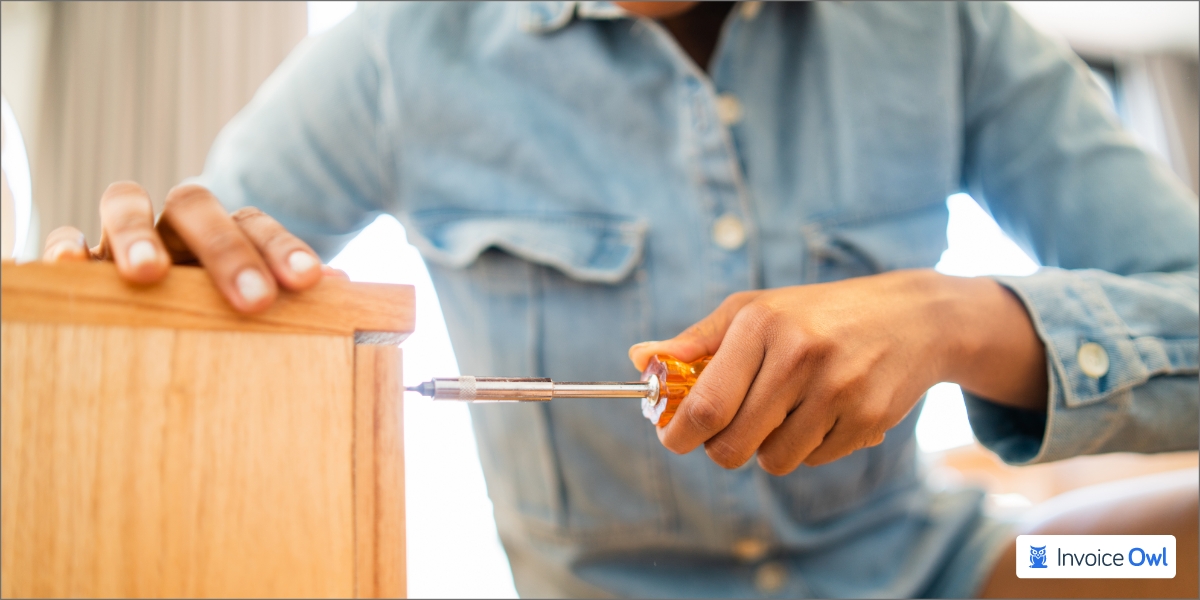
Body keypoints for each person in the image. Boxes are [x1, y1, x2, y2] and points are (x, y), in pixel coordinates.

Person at [42, 2, 1198, 597]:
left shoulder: (943, 26)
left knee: (1149, 556)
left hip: (960, 576)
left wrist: (962, 321)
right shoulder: (401, 51)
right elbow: (206, 289)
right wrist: (134, 322)